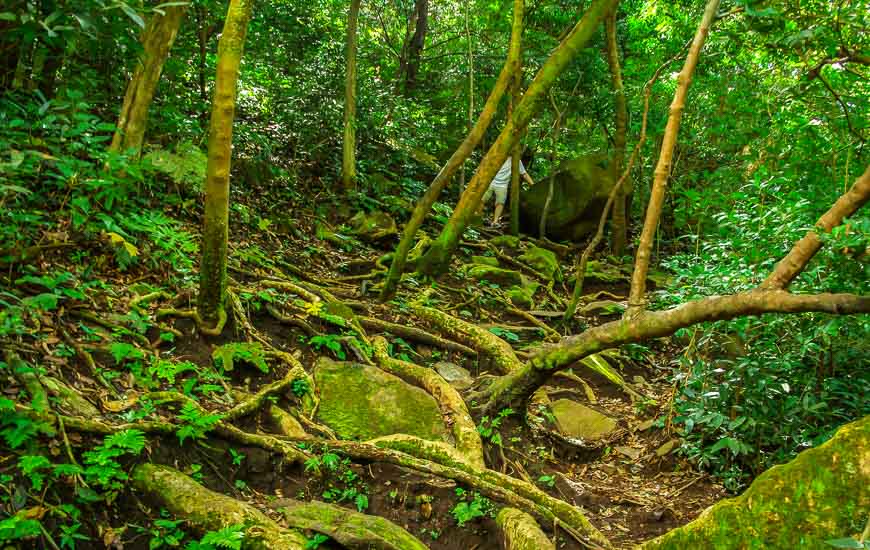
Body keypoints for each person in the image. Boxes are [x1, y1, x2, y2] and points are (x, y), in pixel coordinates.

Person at [481, 156, 536, 227]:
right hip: (490, 181)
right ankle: (479, 217)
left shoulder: (516, 160)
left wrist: (533, 185)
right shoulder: (498, 154)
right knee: (481, 200)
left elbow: (524, 174)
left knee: (500, 203)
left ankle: (495, 222)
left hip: (503, 185)